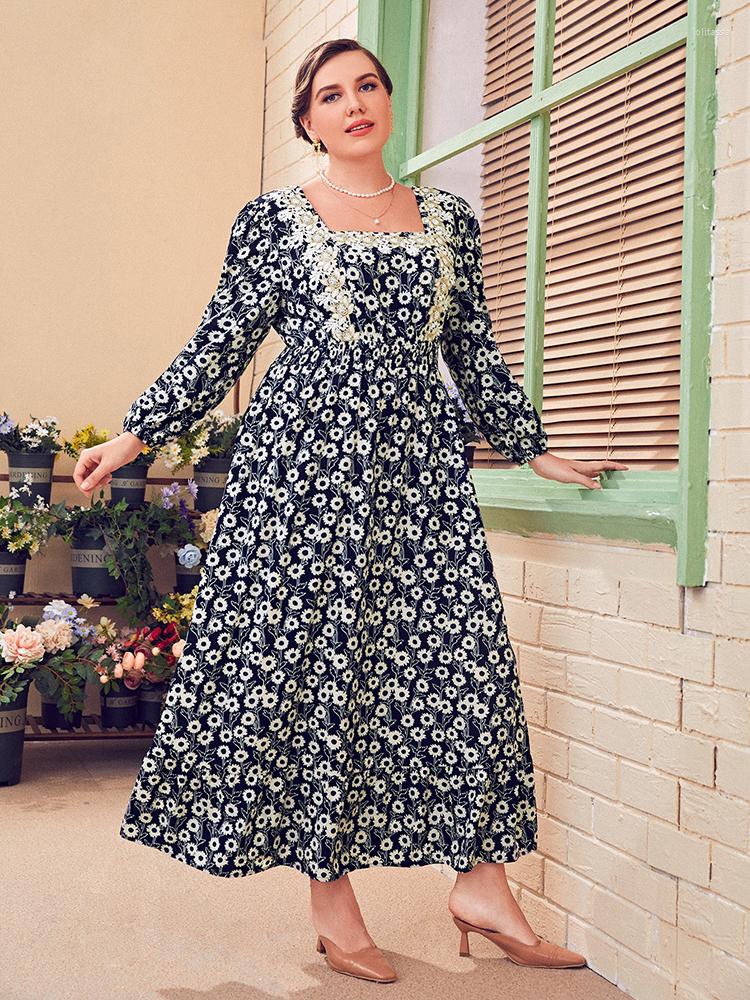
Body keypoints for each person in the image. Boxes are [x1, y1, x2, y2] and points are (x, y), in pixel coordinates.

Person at [73, 37, 627, 985]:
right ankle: (332, 900)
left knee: (458, 664)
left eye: (368, 85)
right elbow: (220, 344)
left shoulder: (449, 221)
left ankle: (483, 888)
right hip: (303, 476)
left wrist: (531, 444)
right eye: (331, 95)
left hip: (419, 477)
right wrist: (134, 435)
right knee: (318, 671)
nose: (354, 103)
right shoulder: (275, 221)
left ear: (388, 100)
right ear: (309, 121)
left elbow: (473, 350)